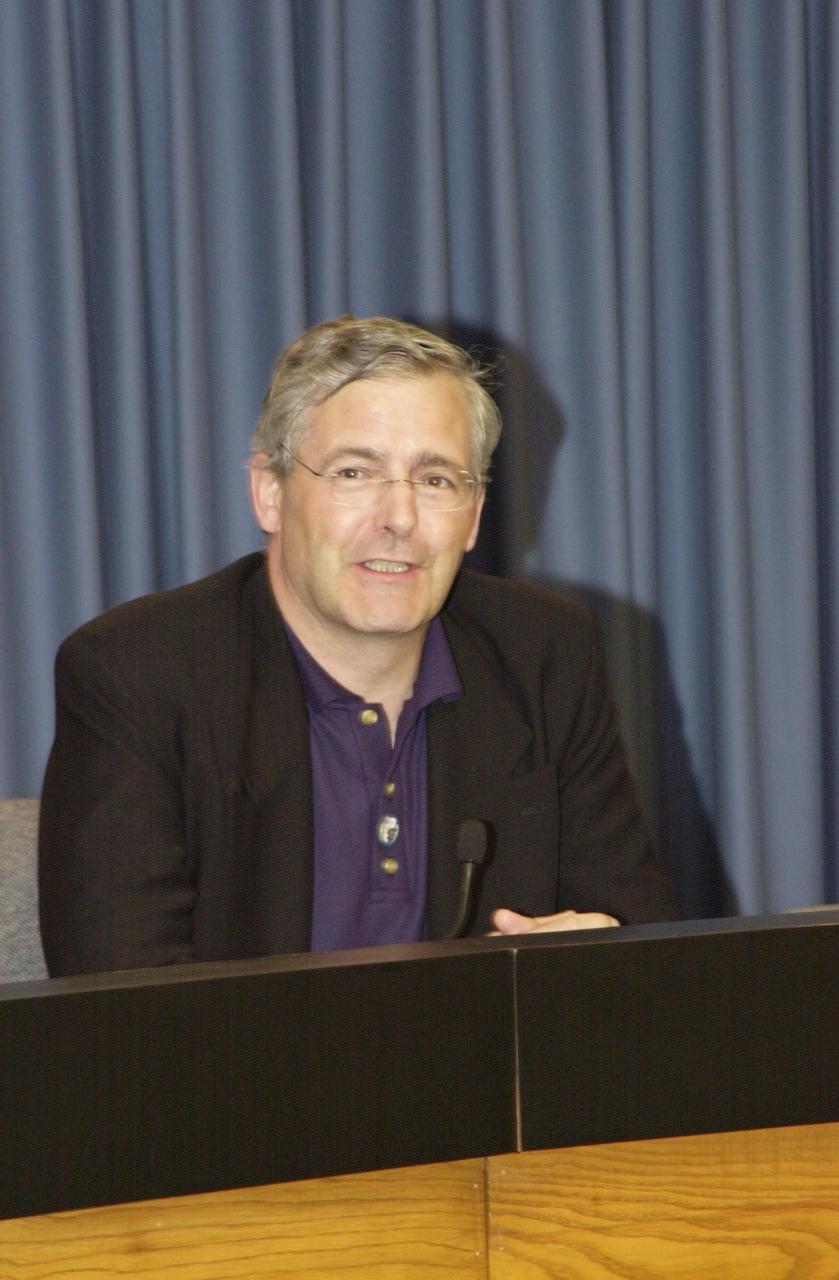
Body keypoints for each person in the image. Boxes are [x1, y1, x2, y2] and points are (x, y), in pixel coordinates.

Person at [39, 315, 676, 976]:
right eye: (353, 473)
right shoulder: (137, 673)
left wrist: (601, 952)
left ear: (473, 515)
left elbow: (638, 937)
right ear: (270, 492)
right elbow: (119, 1009)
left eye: (435, 481)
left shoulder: (544, 654)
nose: (398, 520)